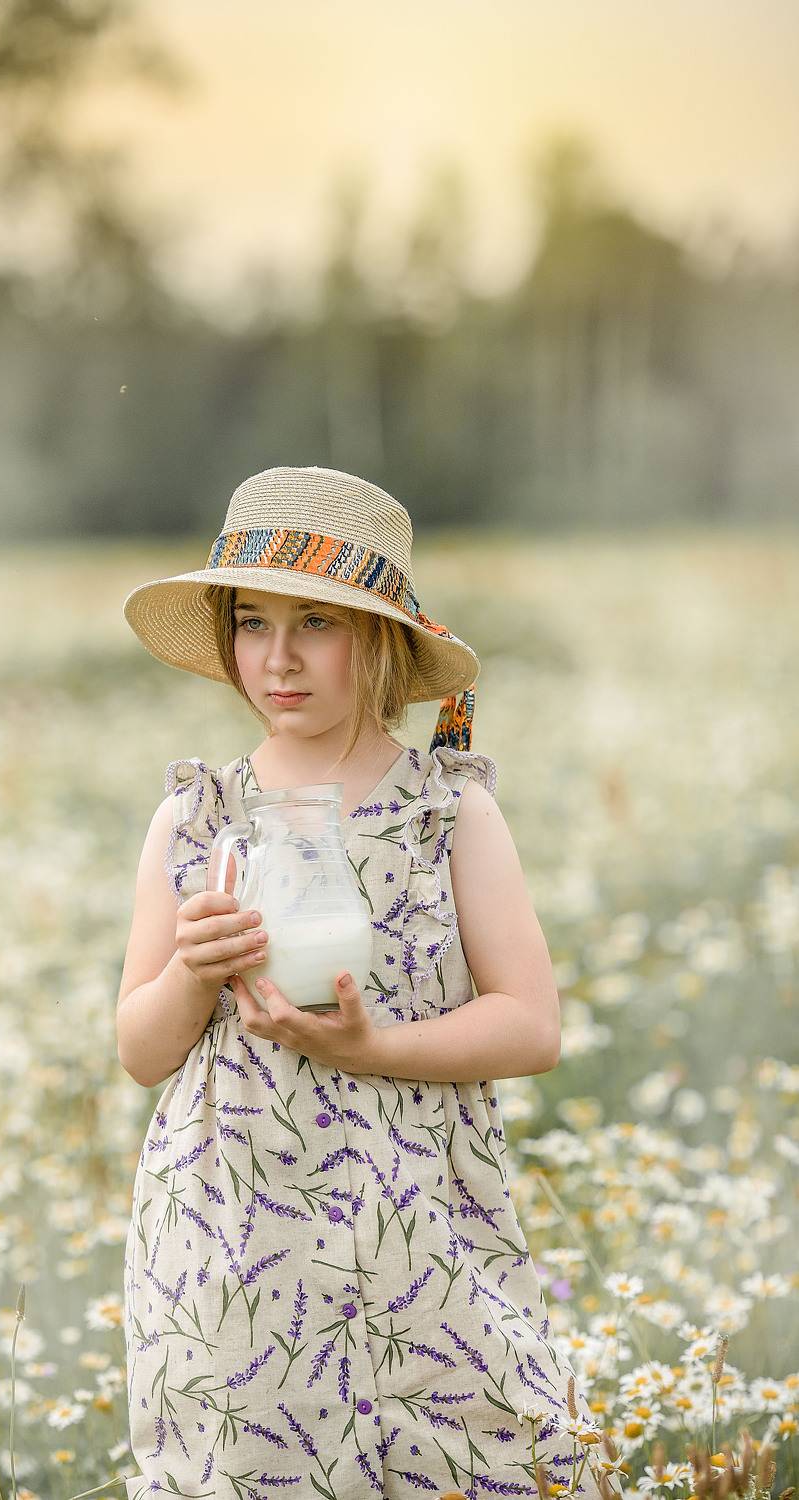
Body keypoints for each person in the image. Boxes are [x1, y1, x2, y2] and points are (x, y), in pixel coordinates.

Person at [116, 465, 605, 1500]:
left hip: (424, 1237)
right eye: (252, 623)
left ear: (378, 638)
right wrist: (191, 976)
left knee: (479, 1460)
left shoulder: (446, 813)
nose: (278, 660)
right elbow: (140, 1051)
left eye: (316, 625)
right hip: (234, 1252)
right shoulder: (197, 819)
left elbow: (532, 1025)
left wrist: (374, 1049)